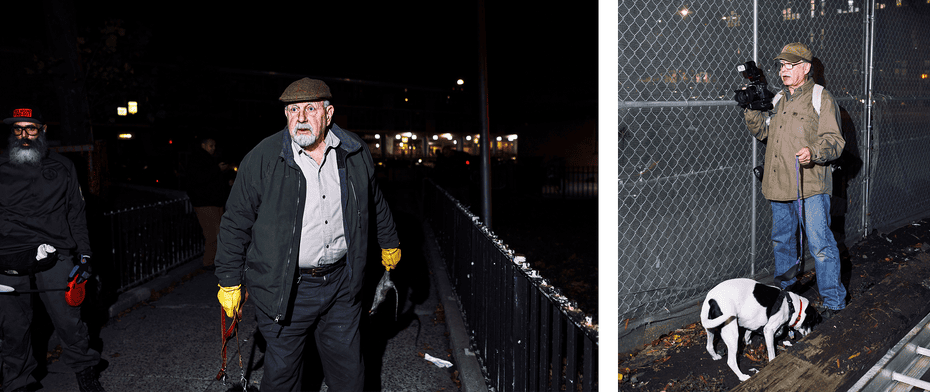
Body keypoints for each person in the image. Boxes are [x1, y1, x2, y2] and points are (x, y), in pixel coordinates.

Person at [214, 78, 401, 391]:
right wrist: (230, 279)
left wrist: (389, 241)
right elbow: (235, 221)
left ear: (328, 114)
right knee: (283, 375)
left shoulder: (353, 151)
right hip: (285, 288)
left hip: (342, 282)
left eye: (310, 108)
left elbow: (374, 199)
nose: (300, 118)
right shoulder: (262, 158)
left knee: (349, 372)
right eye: (292, 110)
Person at [0, 106, 106, 391]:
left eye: (31, 128)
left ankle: (85, 372)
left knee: (69, 322)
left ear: (43, 130)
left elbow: (76, 213)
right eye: (18, 129)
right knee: (12, 328)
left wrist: (84, 255)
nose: (24, 135)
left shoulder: (63, 167)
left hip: (57, 253)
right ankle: (16, 382)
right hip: (8, 255)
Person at [744, 43, 847, 319]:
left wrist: (814, 152)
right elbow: (765, 133)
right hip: (780, 185)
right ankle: (786, 300)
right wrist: (751, 110)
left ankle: (834, 302)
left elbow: (835, 141)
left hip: (810, 185)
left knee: (820, 244)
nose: (783, 70)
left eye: (790, 66)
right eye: (781, 66)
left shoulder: (820, 98)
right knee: (783, 243)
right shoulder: (778, 99)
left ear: (806, 67)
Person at [186, 137, 230, 270]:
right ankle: (209, 262)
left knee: (219, 232)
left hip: (214, 201)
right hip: (205, 202)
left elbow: (213, 179)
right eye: (211, 145)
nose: (213, 148)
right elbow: (200, 178)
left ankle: (214, 260)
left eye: (214, 146)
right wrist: (217, 169)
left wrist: (226, 183)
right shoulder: (197, 159)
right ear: (203, 145)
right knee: (213, 233)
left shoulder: (209, 159)